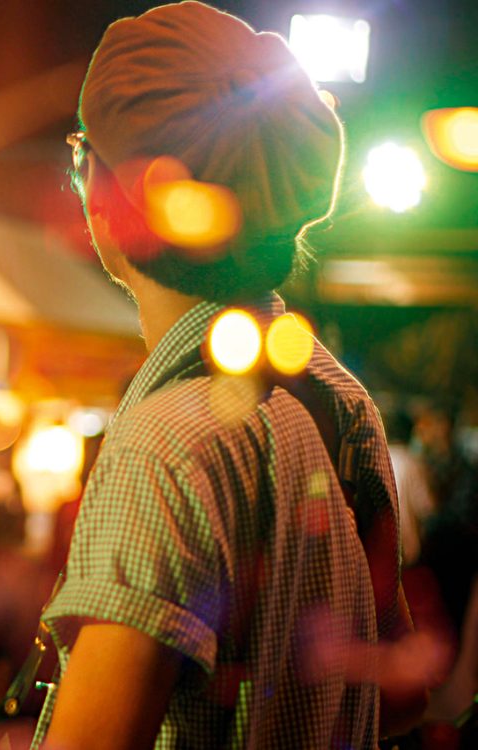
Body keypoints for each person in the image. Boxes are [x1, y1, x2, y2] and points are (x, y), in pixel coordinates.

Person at [33, 3, 428, 748]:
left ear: (120, 206)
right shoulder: (340, 401)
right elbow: (399, 694)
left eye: (83, 153)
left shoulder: (164, 446)